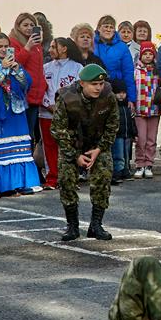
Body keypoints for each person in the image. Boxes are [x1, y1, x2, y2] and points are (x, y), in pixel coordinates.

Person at [51, 63, 118, 240]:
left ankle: (96, 225)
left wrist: (99, 149)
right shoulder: (66, 97)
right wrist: (75, 155)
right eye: (93, 84)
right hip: (72, 145)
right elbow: (57, 130)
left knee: (103, 176)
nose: (98, 88)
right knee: (66, 180)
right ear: (82, 83)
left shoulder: (108, 96)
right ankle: (72, 226)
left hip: (97, 145)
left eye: (101, 84)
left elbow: (112, 126)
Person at [0, 34, 40, 197]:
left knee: (18, 150)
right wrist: (2, 69)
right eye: (0, 46)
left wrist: (17, 71)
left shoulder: (15, 65)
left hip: (15, 112)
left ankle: (20, 184)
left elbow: (27, 84)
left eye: (6, 46)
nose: (3, 50)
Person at [94, 15, 136, 179]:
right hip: (97, 91)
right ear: (99, 28)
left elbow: (128, 72)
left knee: (118, 131)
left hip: (117, 92)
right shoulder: (93, 45)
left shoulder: (121, 47)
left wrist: (131, 98)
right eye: (105, 26)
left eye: (111, 27)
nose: (108, 29)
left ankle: (120, 166)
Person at [40, 38, 83, 190]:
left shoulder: (77, 67)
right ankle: (52, 178)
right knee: (49, 146)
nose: (50, 50)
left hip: (68, 114)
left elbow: (80, 90)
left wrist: (64, 107)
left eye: (54, 47)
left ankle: (69, 178)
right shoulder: (45, 68)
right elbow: (40, 88)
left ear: (64, 48)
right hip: (46, 114)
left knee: (68, 145)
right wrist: (47, 104)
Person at [9, 13, 46, 182]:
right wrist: (27, 47)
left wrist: (43, 86)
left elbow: (38, 69)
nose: (29, 28)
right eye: (25, 25)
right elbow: (15, 63)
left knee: (32, 135)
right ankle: (25, 172)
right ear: (18, 26)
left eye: (32, 25)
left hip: (36, 95)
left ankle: (32, 170)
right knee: (24, 135)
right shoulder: (14, 42)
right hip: (23, 95)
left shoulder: (38, 45)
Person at [133, 41, 161, 178]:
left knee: (151, 139)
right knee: (141, 139)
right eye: (145, 54)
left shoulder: (158, 71)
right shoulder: (136, 71)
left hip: (154, 109)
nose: (148, 56)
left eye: (151, 54)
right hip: (140, 109)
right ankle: (140, 164)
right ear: (140, 55)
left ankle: (149, 164)